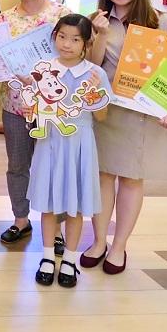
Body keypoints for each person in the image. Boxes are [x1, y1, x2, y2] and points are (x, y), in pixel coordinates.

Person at [81, 0, 167, 274]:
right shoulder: (96, 20)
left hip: (142, 114)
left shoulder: (160, 21)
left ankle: (119, 246)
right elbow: (92, 67)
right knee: (102, 176)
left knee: (133, 178)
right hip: (106, 111)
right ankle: (98, 241)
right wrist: (100, 34)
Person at [0, 0, 71, 252]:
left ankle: (55, 227)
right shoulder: (5, 19)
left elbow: (73, 56)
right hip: (15, 106)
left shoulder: (61, 14)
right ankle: (21, 219)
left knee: (52, 166)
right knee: (18, 165)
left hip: (51, 108)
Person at [26, 14, 112, 288]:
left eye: (75, 39)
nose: (67, 44)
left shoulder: (95, 74)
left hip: (79, 146)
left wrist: (94, 96)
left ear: (86, 43)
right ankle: (48, 256)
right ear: (54, 37)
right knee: (49, 204)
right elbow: (33, 112)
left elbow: (101, 117)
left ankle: (71, 259)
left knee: (75, 207)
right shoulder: (42, 69)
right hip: (49, 143)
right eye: (62, 37)